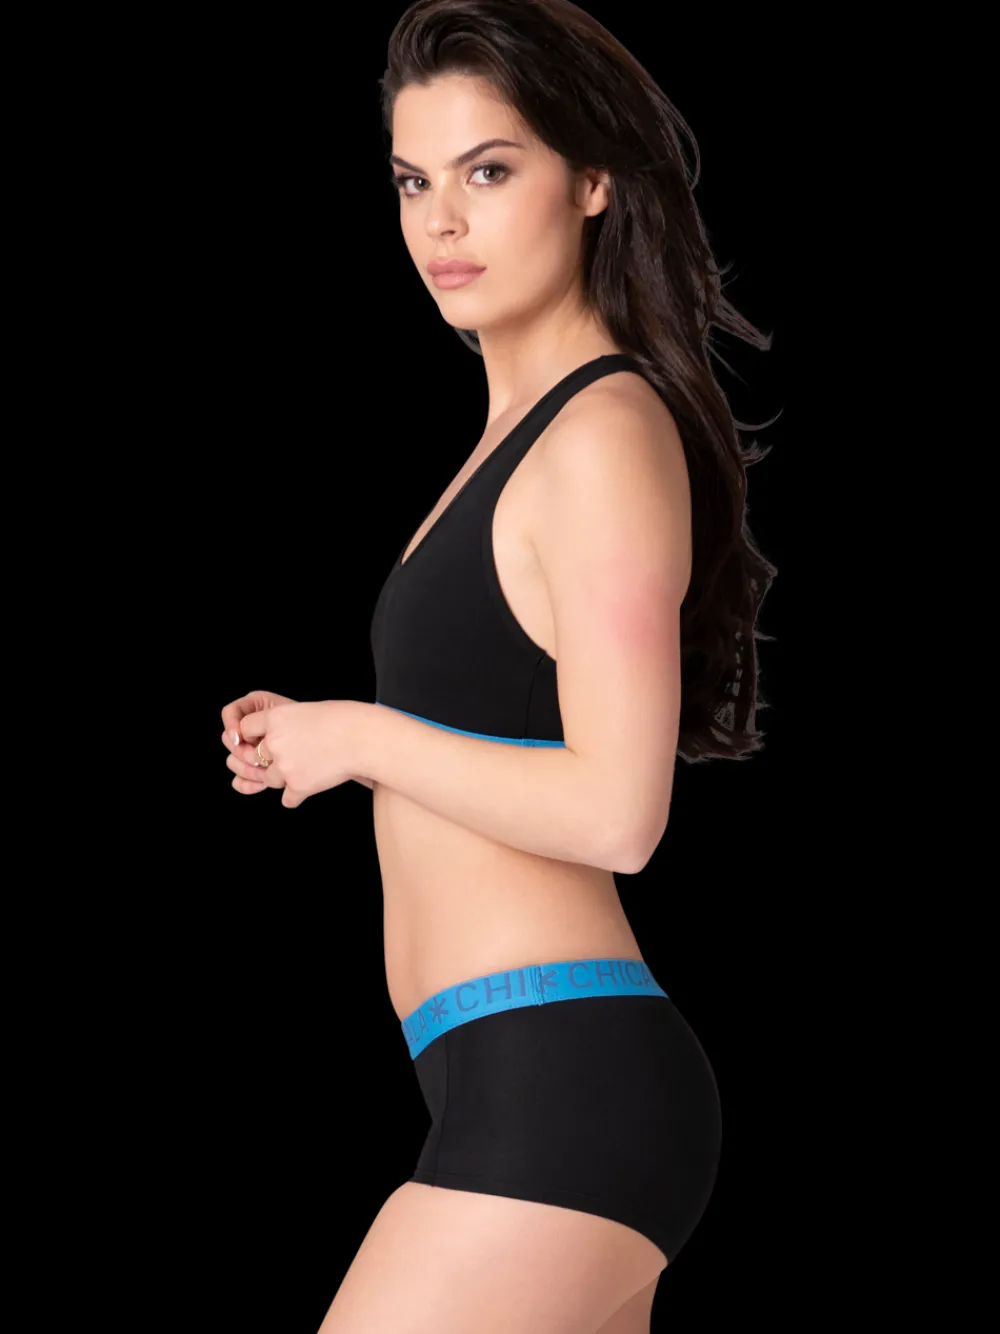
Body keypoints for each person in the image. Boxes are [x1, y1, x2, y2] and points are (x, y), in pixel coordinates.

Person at [220, 2, 777, 1330]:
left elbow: (619, 812)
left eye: (488, 170)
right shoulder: (516, 434)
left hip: (561, 1085)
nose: (442, 223)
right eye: (414, 182)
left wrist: (358, 736)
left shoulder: (602, 431)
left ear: (593, 181)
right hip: (511, 1078)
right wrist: (333, 733)